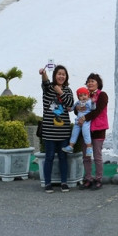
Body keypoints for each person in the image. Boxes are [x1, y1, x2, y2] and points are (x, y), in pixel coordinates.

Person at [39, 63, 74, 193]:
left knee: (63, 157)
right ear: (55, 75)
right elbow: (45, 82)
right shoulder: (49, 88)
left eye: (63, 74)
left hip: (63, 132)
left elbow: (70, 104)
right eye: (59, 74)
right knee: (49, 157)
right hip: (49, 131)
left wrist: (61, 93)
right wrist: (43, 74)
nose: (61, 76)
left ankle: (64, 182)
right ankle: (48, 183)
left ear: (66, 77)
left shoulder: (68, 90)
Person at [78, 72, 109, 190]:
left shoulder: (102, 95)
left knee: (97, 156)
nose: (90, 83)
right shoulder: (84, 95)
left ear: (98, 83)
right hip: (85, 129)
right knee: (86, 156)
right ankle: (88, 179)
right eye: (88, 81)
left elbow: (98, 111)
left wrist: (84, 117)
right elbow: (78, 109)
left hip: (98, 129)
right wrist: (77, 109)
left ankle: (98, 179)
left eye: (92, 81)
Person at [63, 86, 95, 156]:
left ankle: (89, 148)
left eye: (85, 95)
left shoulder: (89, 102)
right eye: (81, 96)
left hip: (86, 121)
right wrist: (68, 108)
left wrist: (93, 103)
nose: (83, 97)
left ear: (88, 95)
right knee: (74, 133)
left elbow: (93, 109)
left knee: (86, 133)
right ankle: (71, 146)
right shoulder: (77, 102)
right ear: (78, 97)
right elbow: (72, 108)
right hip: (77, 121)